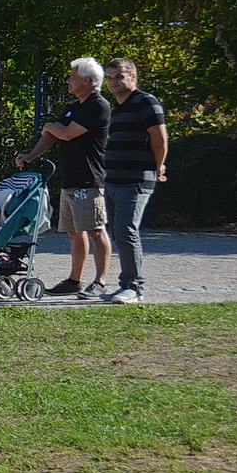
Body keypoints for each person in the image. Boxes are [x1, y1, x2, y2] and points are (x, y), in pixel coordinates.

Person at [16, 57, 112, 297]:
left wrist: (50, 126)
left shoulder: (98, 106)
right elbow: (51, 134)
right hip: (70, 179)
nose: (67, 80)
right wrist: (30, 155)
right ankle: (74, 281)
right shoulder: (73, 107)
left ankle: (99, 282)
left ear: (87, 80)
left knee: (96, 230)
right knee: (74, 231)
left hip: (89, 179)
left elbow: (67, 134)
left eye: (72, 76)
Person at [100, 58, 168, 304]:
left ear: (133, 77)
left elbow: (159, 138)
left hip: (136, 179)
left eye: (118, 76)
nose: (113, 82)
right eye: (109, 78)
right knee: (118, 232)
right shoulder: (117, 108)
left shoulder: (146, 102)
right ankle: (125, 285)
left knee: (125, 230)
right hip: (113, 179)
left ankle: (134, 287)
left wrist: (158, 166)